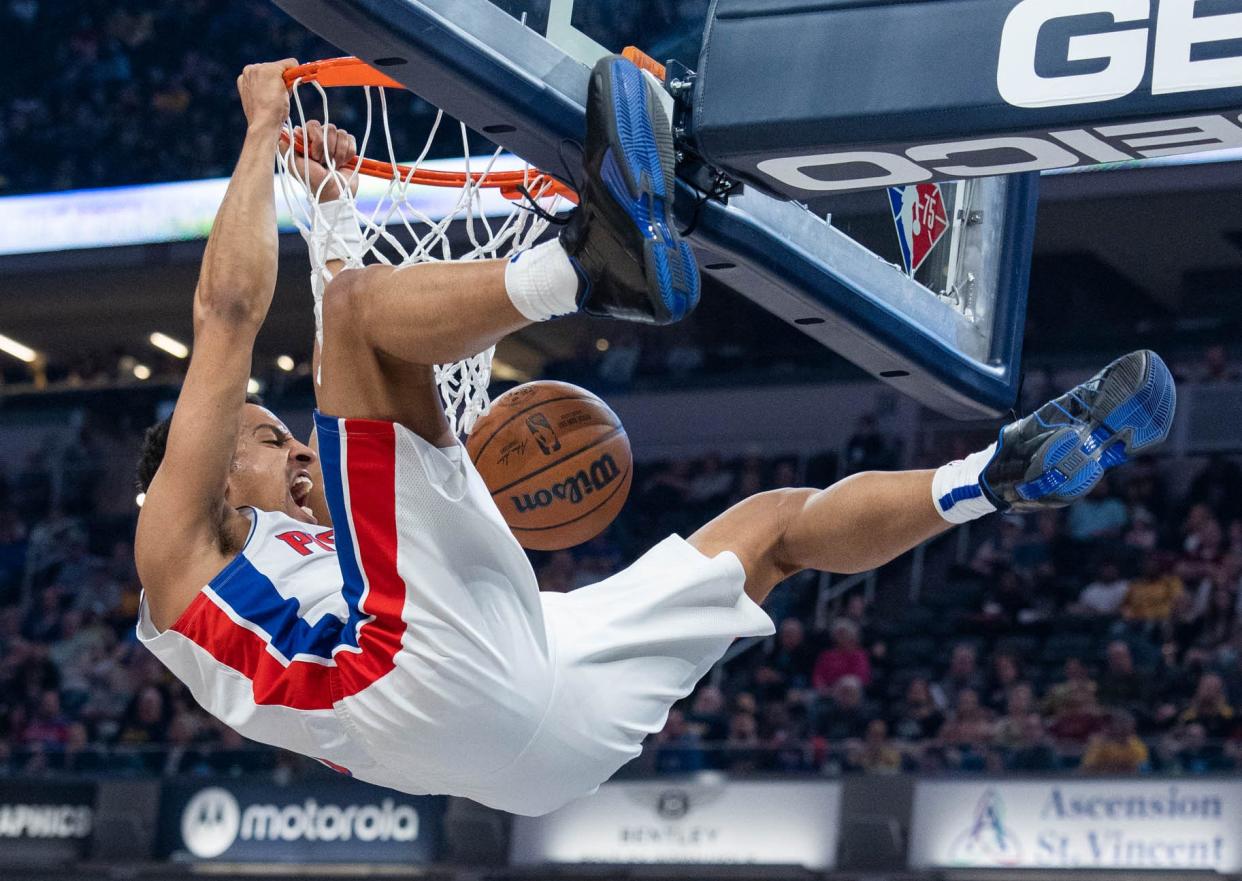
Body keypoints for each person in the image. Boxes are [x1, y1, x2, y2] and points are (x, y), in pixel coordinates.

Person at [132, 56, 1178, 816]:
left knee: (769, 530)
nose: (299, 451)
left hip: (532, 734)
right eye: (267, 439)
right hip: (415, 685)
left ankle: (988, 478)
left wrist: (333, 204)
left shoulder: (325, 546)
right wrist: (261, 130)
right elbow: (230, 318)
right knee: (360, 318)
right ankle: (585, 268)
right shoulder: (179, 553)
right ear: (201, 470)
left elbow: (347, 379)